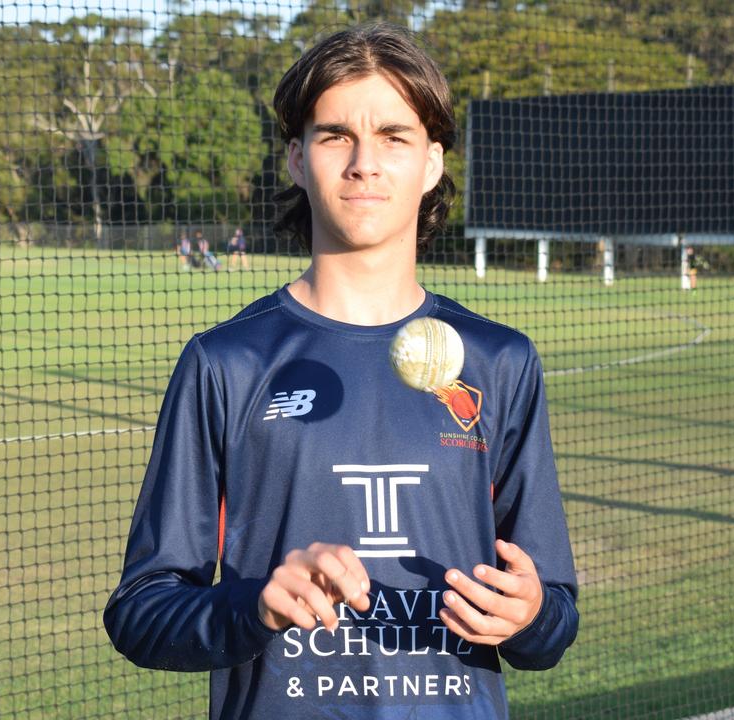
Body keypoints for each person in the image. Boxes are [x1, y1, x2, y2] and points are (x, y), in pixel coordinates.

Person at [105, 23, 578, 720]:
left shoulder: (498, 361)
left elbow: (551, 625)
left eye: (393, 137)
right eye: (334, 137)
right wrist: (253, 603)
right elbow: (142, 613)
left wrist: (531, 615)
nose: (364, 163)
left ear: (431, 163)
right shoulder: (226, 363)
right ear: (297, 159)